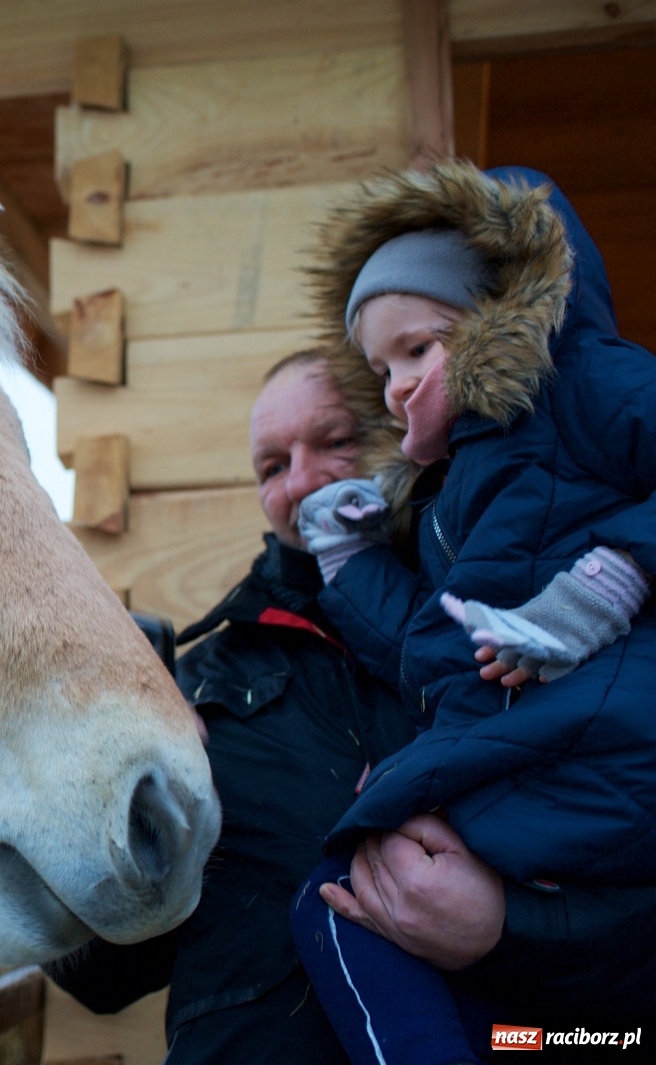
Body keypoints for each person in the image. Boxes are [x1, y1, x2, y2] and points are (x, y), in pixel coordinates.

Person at [290, 162, 656, 1062]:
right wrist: (349, 557)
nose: (395, 385)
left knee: (346, 895)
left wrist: (615, 577)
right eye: (379, 369)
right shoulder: (451, 496)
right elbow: (431, 645)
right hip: (515, 773)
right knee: (519, 1024)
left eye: (419, 348)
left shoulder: (588, 384)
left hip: (598, 749)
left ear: (500, 314)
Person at [42, 350, 420, 1063]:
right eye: (272, 466)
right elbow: (106, 976)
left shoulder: (493, 646)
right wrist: (76, 799)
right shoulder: (194, 687)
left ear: (403, 426)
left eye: (335, 440)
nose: (301, 481)